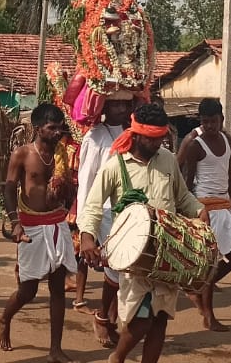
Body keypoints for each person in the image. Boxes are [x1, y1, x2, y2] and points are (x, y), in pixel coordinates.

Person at [78, 103, 204, 363]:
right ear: (136, 134)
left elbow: (182, 197)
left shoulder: (168, 160)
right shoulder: (115, 166)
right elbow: (92, 206)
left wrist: (199, 211)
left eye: (161, 138)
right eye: (153, 138)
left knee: (160, 320)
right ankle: (118, 357)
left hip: (167, 250)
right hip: (133, 256)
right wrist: (87, 237)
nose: (158, 143)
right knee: (142, 317)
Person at [0, 103, 77, 361]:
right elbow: (9, 189)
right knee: (28, 290)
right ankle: (5, 317)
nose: (56, 133)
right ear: (37, 128)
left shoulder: (65, 154)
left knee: (57, 288)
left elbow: (72, 190)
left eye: (59, 128)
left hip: (57, 223)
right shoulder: (22, 154)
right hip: (30, 224)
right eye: (51, 128)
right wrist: (14, 223)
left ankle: (55, 348)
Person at [178, 97, 231, 332]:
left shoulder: (227, 142)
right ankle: (208, 316)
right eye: (204, 121)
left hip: (225, 206)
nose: (209, 126)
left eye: (213, 121)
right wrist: (190, 213)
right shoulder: (194, 144)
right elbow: (186, 182)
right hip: (205, 208)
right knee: (210, 263)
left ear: (222, 120)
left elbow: (228, 178)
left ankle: (197, 287)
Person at [74, 93, 138, 346]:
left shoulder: (134, 133)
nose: (121, 109)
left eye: (125, 104)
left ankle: (110, 318)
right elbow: (87, 180)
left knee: (130, 270)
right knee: (116, 267)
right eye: (115, 104)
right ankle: (102, 318)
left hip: (133, 211)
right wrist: (85, 224)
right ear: (104, 106)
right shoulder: (95, 136)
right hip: (105, 212)